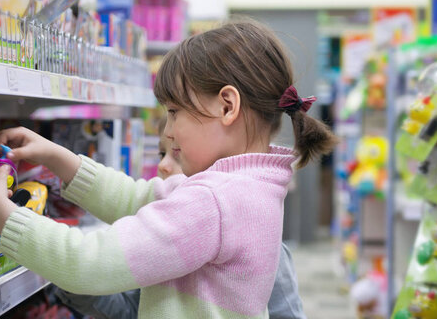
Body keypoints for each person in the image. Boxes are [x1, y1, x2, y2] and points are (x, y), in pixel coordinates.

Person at [0, 20, 336, 318]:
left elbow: (88, 263)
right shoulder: (245, 187)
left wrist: (0, 215)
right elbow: (139, 198)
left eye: (174, 112)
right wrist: (58, 157)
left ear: (227, 106)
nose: (168, 131)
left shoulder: (215, 201)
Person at [56, 119, 305, 319]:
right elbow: (135, 308)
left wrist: (72, 264)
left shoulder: (261, 246)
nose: (163, 166)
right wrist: (71, 277)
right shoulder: (166, 230)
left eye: (176, 155)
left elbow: (288, 312)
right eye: (162, 153)